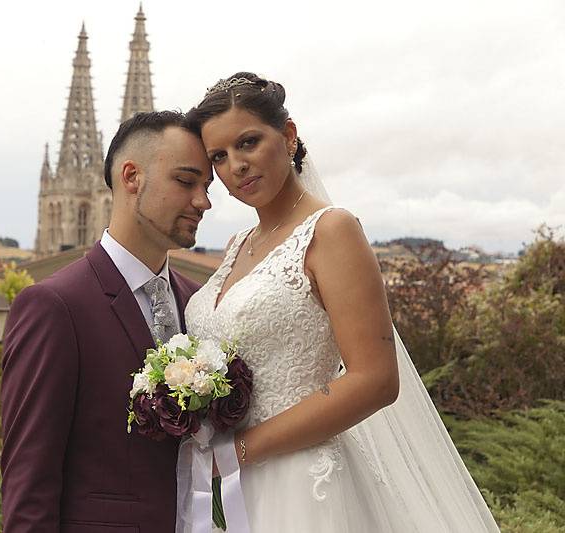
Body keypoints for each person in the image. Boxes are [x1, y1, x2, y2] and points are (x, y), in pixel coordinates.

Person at [182, 72, 500, 532]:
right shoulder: (237, 245)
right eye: (220, 156)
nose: (236, 166)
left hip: (300, 486)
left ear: (288, 136)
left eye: (248, 143)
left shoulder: (332, 230)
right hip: (229, 486)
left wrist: (239, 452)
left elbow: (376, 379)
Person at [1, 110, 213, 532]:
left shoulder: (199, 304)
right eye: (186, 181)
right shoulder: (54, 306)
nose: (204, 201)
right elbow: (29, 484)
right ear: (131, 177)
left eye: (207, 186)